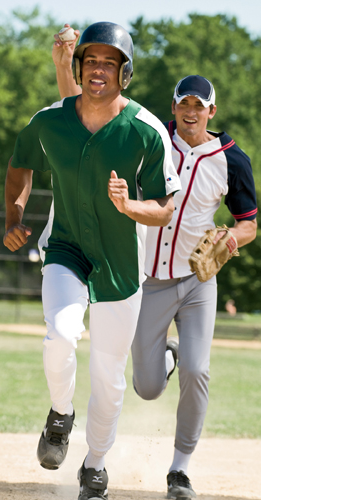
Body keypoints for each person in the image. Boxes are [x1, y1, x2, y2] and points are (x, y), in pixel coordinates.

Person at [53, 27, 258, 500]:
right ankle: (166, 355)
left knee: (198, 371)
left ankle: (180, 469)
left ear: (211, 112)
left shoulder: (232, 160)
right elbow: (85, 116)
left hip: (197, 282)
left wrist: (230, 238)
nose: (191, 111)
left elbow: (249, 223)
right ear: (174, 107)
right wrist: (66, 66)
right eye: (184, 103)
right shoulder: (150, 136)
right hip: (148, 281)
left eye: (199, 105)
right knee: (146, 387)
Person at [4, 22, 181, 500]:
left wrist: (129, 205)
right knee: (61, 334)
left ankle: (95, 465)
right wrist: (14, 215)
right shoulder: (51, 120)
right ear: (79, 68)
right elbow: (20, 164)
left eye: (110, 62)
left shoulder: (146, 131)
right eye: (91, 61)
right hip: (66, 248)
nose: (99, 69)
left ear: (125, 73)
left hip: (120, 265)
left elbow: (164, 208)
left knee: (108, 377)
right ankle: (60, 415)